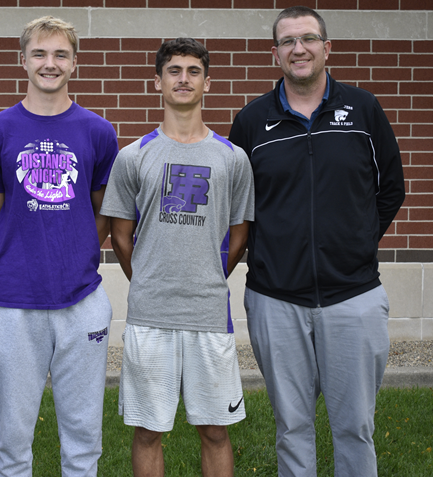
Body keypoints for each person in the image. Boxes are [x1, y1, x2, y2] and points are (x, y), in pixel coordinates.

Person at [228, 6, 405, 476]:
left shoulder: (364, 109)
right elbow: (237, 206)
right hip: (275, 299)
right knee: (292, 427)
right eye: (288, 41)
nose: (298, 49)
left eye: (308, 39)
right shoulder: (251, 122)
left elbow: (392, 188)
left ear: (327, 48)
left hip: (354, 297)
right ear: (275, 54)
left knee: (355, 427)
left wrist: (357, 243)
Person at [0, 16, 118, 477]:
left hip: (82, 300)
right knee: (13, 438)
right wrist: (27, 250)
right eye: (39, 53)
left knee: (83, 434)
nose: (49, 63)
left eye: (60, 54)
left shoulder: (97, 131)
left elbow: (103, 212)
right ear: (23, 60)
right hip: (13, 301)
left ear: (74, 62)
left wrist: (73, 253)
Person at [101, 38, 254, 477]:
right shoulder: (134, 156)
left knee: (215, 429)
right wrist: (149, 277)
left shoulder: (232, 159)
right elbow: (120, 234)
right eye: (174, 70)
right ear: (157, 82)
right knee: (149, 430)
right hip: (150, 313)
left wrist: (208, 273)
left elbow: (240, 232)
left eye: (192, 71)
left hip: (208, 313)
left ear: (208, 82)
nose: (183, 78)